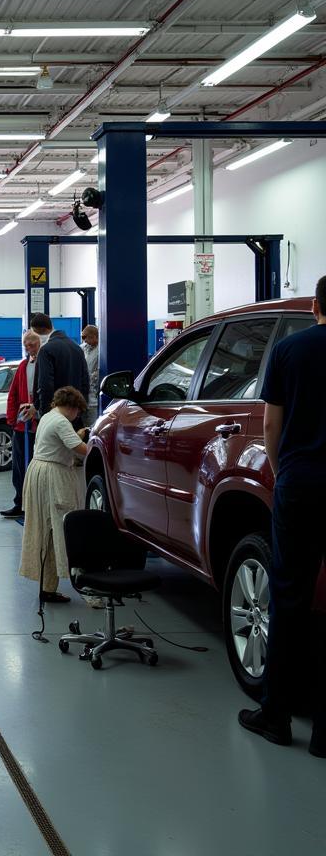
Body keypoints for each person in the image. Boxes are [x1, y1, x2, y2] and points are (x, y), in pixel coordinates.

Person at [238, 277, 326, 759]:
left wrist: (280, 468)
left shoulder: (291, 350)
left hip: (302, 483)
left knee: (288, 598)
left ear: (316, 306)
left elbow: (271, 422)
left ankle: (276, 715)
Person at [18, 386, 89, 604]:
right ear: (72, 407)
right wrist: (99, 447)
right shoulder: (61, 421)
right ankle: (85, 585)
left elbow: (60, 443)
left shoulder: (49, 417)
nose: (78, 415)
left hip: (38, 472)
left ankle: (47, 588)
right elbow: (79, 448)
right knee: (64, 530)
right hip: (53, 476)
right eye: (78, 411)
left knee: (46, 531)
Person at [0, 330, 41, 519]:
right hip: (21, 425)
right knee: (18, 467)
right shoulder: (23, 365)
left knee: (35, 466)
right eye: (26, 345)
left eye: (31, 344)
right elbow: (13, 394)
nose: (28, 348)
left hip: (38, 425)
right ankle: (20, 502)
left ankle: (35, 505)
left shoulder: (44, 363)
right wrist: (11, 419)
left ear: (38, 344)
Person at [23, 313, 91, 426]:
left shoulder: (46, 350)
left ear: (39, 330)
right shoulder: (77, 348)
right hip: (75, 413)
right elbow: (85, 380)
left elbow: (45, 385)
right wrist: (80, 409)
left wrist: (44, 413)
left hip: (56, 414)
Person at [81, 324, 100, 425]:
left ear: (95, 337)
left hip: (94, 397)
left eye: (85, 337)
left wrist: (90, 377)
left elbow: (99, 372)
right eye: (82, 337)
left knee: (92, 426)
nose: (84, 340)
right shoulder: (83, 348)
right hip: (83, 395)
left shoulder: (101, 350)